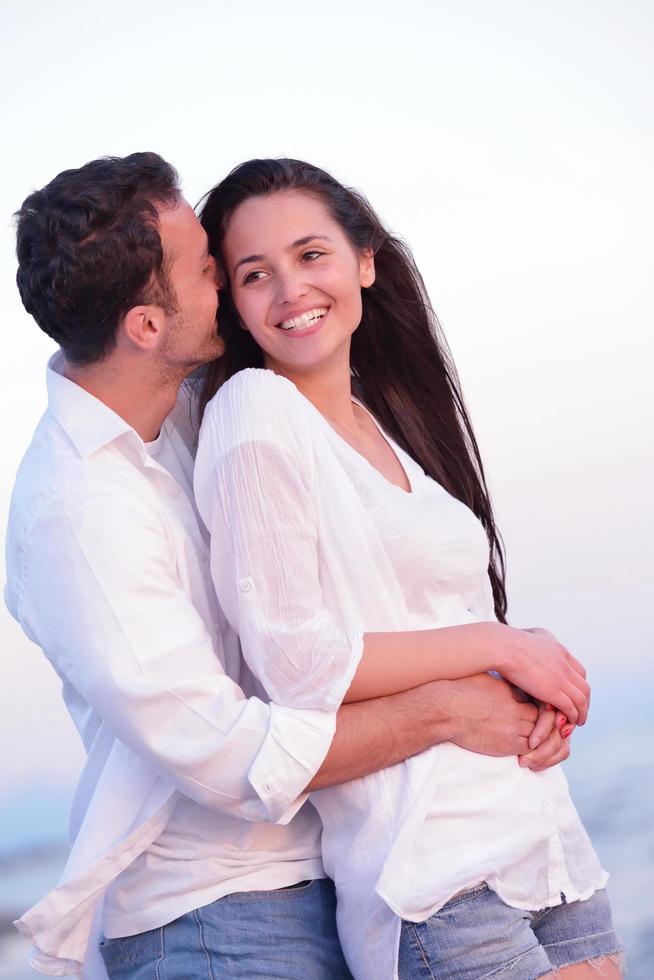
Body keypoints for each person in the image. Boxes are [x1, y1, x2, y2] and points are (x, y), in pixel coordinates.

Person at [5, 152, 567, 980]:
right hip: (212, 924)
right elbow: (230, 758)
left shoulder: (193, 409)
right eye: (212, 271)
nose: (235, 291)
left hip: (330, 878)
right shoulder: (80, 516)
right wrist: (450, 708)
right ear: (147, 327)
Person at [194, 158, 623, 980]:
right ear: (234, 304)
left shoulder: (384, 423)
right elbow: (296, 663)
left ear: (364, 261)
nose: (289, 289)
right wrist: (502, 647)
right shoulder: (254, 413)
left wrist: (526, 697)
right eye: (256, 274)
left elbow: (426, 618)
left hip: (540, 835)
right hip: (435, 876)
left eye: (310, 255)